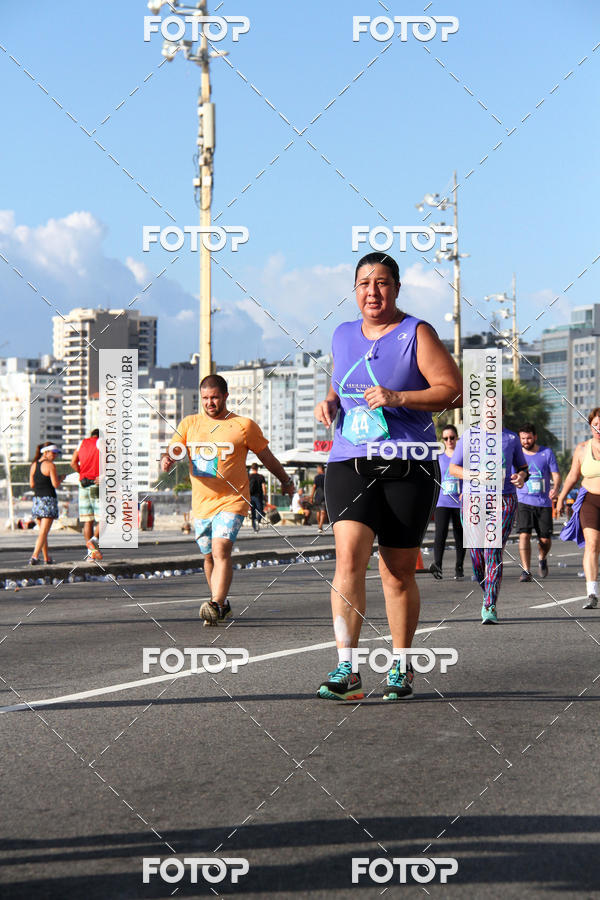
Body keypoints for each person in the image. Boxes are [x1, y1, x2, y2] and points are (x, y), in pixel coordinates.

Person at [314, 252, 462, 700]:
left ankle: (401, 665)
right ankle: (347, 668)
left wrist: (399, 397)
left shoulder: (416, 333)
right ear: (355, 290)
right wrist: (331, 402)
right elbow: (342, 383)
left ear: (396, 288)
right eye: (364, 283)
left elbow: (452, 391)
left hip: (408, 462)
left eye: (381, 283)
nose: (372, 291)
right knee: (348, 560)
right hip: (349, 459)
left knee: (396, 571)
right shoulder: (342, 334)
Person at [161, 374, 294, 625]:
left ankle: (215, 602)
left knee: (221, 549)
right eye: (205, 398)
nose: (210, 403)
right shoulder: (189, 424)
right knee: (209, 556)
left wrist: (286, 481)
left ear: (225, 396)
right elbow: (175, 449)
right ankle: (221, 605)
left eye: (214, 398)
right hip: (202, 503)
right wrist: (167, 458)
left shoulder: (243, 426)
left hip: (233, 499)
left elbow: (266, 457)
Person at [449, 423, 529, 624]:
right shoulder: (469, 436)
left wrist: (520, 477)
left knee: (492, 551)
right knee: (477, 556)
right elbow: (453, 468)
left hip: (503, 499)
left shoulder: (511, 438)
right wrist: (476, 475)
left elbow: (523, 468)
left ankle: (490, 604)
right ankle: (489, 591)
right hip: (473, 500)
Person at [557, 407, 600, 609]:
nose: (599, 428)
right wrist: (561, 498)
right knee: (592, 544)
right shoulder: (582, 449)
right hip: (590, 500)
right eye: (595, 424)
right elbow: (573, 476)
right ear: (590, 426)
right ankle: (592, 593)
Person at [516, 424, 560, 582]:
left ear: (535, 437)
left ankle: (542, 557)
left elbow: (556, 474)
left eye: (528, 438)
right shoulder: (517, 455)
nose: (526, 441)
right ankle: (526, 570)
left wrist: (556, 488)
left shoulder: (546, 453)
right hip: (523, 501)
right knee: (524, 535)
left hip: (543, 503)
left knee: (545, 540)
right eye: (523, 438)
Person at [429, 424, 465, 581]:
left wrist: (465, 491)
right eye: (445, 438)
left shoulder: (463, 458)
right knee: (440, 534)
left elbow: (469, 476)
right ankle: (438, 565)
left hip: (459, 501)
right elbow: (434, 478)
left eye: (452, 437)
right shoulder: (439, 457)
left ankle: (459, 567)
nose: (449, 441)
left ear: (457, 438)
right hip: (442, 502)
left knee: (460, 535)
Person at [70, 428, 102, 561]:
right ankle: (94, 540)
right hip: (97, 483)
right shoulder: (102, 443)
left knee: (87, 520)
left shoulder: (81, 443)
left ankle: (90, 554)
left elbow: (73, 463)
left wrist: (82, 472)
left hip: (83, 483)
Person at [28, 444, 64, 565]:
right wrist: (61, 478)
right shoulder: (50, 465)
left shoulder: (34, 465)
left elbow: (32, 484)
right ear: (46, 452)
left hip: (37, 500)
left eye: (56, 453)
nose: (55, 455)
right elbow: (55, 484)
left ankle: (46, 558)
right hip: (48, 500)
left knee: (42, 533)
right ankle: (34, 556)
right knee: (43, 532)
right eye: (53, 453)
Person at [248, 463, 266, 533]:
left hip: (250, 496)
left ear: (251, 468)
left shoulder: (249, 476)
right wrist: (265, 495)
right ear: (257, 468)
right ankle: (258, 520)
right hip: (258, 496)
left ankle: (255, 529)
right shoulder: (261, 477)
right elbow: (263, 487)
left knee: (253, 512)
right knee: (260, 511)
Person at [310, 463, 327, 532]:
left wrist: (311, 497)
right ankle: (320, 526)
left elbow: (314, 487)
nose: (317, 470)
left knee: (318, 511)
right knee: (323, 512)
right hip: (324, 496)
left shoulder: (316, 477)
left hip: (317, 496)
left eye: (317, 468)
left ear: (320, 469)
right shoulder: (327, 476)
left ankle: (319, 526)